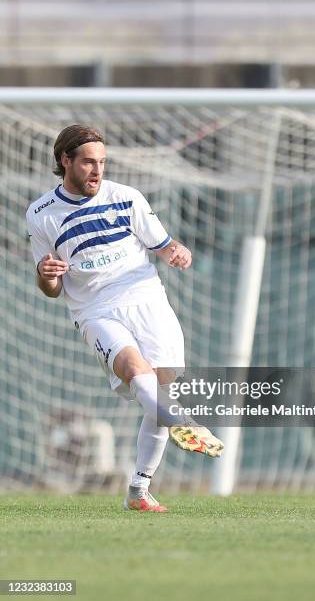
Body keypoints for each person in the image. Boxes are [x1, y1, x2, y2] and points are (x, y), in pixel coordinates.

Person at [26, 125, 224, 512]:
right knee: (139, 374)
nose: (96, 170)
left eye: (101, 162)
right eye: (87, 162)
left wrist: (177, 253)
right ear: (65, 161)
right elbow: (50, 288)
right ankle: (184, 421)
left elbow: (164, 246)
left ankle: (138, 490)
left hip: (147, 300)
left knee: (159, 390)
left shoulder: (126, 197)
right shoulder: (41, 214)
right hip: (95, 311)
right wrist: (45, 275)